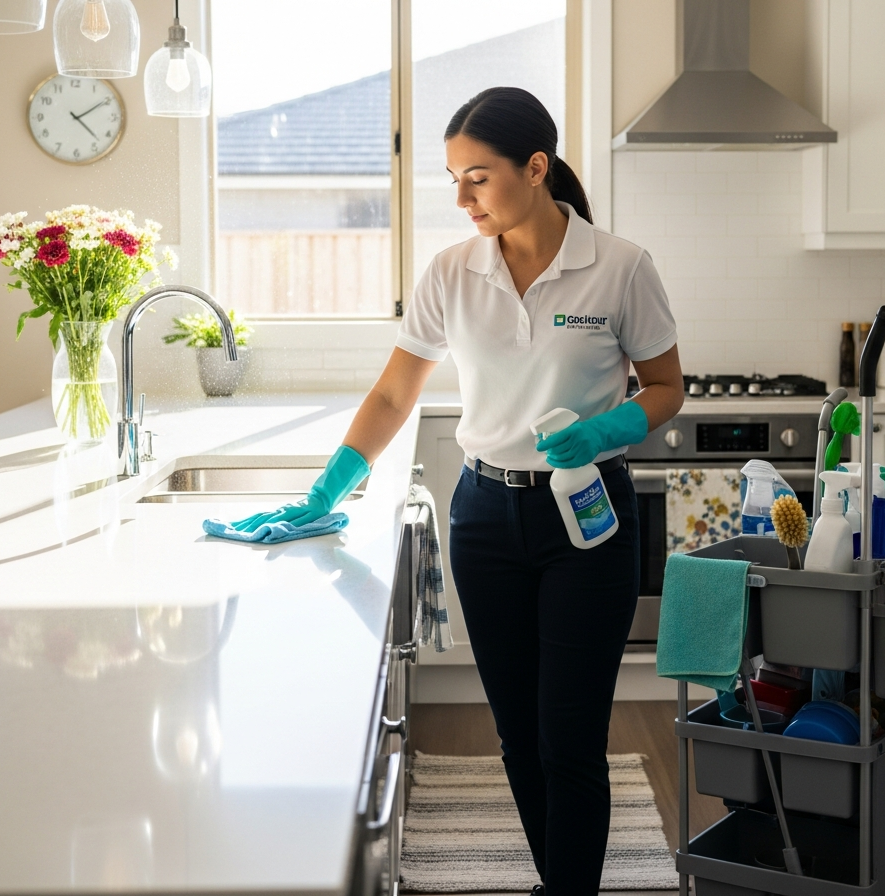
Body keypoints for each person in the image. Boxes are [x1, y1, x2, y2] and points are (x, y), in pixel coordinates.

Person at [243, 87, 683, 895]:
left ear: (535, 168)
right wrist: (330, 486)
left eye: (477, 178)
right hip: (485, 519)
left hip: (587, 518)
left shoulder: (620, 267)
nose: (462, 198)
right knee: (518, 735)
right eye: (454, 179)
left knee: (569, 740)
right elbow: (393, 393)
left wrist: (606, 431)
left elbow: (665, 387)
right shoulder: (452, 272)